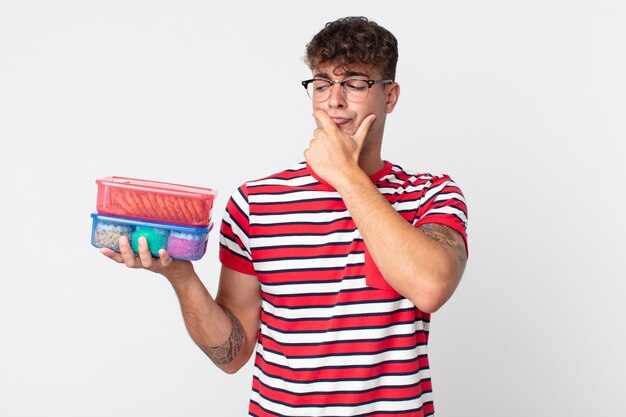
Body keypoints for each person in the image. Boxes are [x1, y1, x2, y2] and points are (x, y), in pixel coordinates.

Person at [102, 16, 468, 417]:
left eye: (355, 83)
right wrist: (181, 277)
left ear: (390, 96)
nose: (335, 100)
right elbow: (232, 355)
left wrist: (345, 175)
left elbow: (431, 287)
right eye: (323, 83)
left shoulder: (430, 195)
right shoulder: (254, 202)